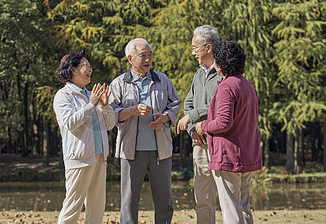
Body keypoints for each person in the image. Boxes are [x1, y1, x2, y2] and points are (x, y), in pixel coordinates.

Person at [109, 38, 182, 224]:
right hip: (130, 152)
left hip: (161, 151)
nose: (148, 59)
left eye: (150, 55)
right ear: (130, 58)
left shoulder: (163, 79)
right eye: (143, 56)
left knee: (164, 201)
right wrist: (132, 110)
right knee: (129, 202)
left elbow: (175, 104)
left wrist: (165, 118)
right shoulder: (118, 84)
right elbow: (110, 115)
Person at [195, 40, 262, 224]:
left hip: (229, 156)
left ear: (221, 63)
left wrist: (203, 126)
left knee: (231, 209)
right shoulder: (247, 85)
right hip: (247, 154)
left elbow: (224, 122)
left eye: (216, 60)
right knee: (243, 207)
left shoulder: (226, 86)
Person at [53, 49, 116, 224]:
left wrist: (104, 107)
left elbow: (110, 125)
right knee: (72, 207)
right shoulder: (63, 96)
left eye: (90, 66)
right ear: (73, 70)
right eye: (85, 65)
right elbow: (70, 122)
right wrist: (91, 105)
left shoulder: (91, 95)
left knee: (96, 207)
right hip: (79, 158)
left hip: (99, 156)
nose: (90, 69)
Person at [177, 25, 222, 223]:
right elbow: (188, 103)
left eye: (195, 47)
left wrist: (192, 116)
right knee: (202, 197)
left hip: (220, 140)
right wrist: (191, 129)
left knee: (228, 195)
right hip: (200, 141)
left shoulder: (223, 71)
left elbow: (216, 102)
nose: (192, 51)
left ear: (208, 47)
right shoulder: (198, 74)